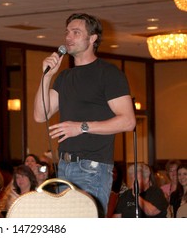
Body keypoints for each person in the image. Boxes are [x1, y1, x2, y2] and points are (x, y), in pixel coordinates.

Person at [33, 13, 136, 217]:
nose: (68, 37)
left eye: (76, 32)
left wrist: (81, 127)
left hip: (92, 168)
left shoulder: (108, 73)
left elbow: (128, 121)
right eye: (67, 32)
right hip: (65, 167)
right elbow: (40, 115)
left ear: (93, 38)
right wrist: (47, 76)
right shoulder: (64, 77)